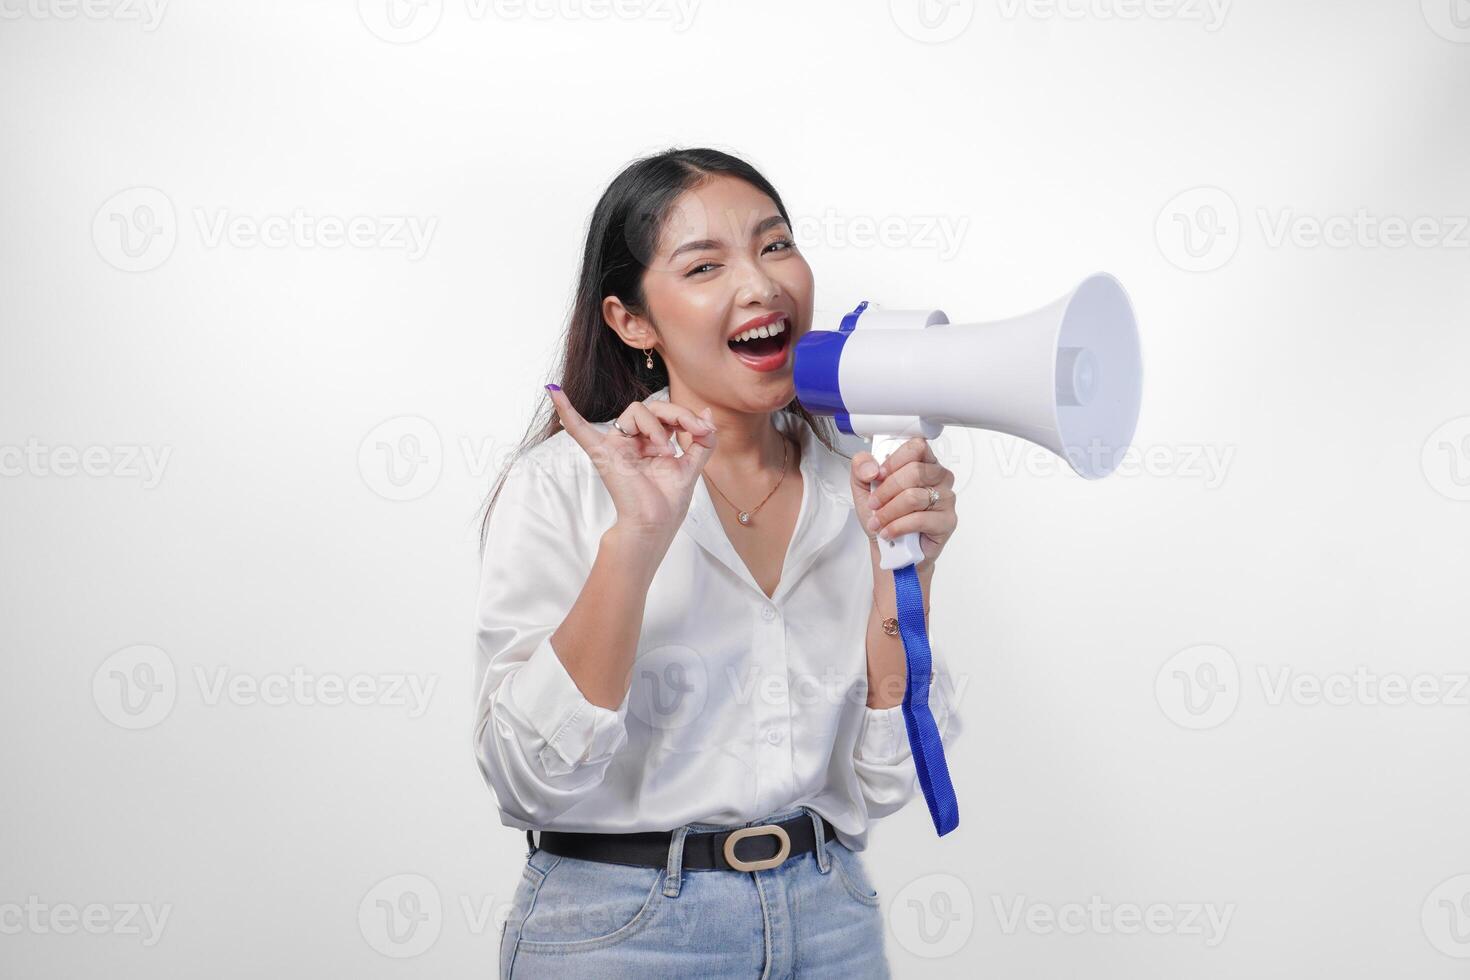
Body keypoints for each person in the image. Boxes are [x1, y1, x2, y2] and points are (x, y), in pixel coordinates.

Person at [473, 146, 963, 979]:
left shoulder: (855, 473)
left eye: (775, 246)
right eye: (706, 265)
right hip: (622, 932)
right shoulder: (559, 487)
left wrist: (901, 571)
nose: (762, 286)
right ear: (632, 322)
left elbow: (882, 780)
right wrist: (637, 540)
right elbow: (529, 782)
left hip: (830, 915)